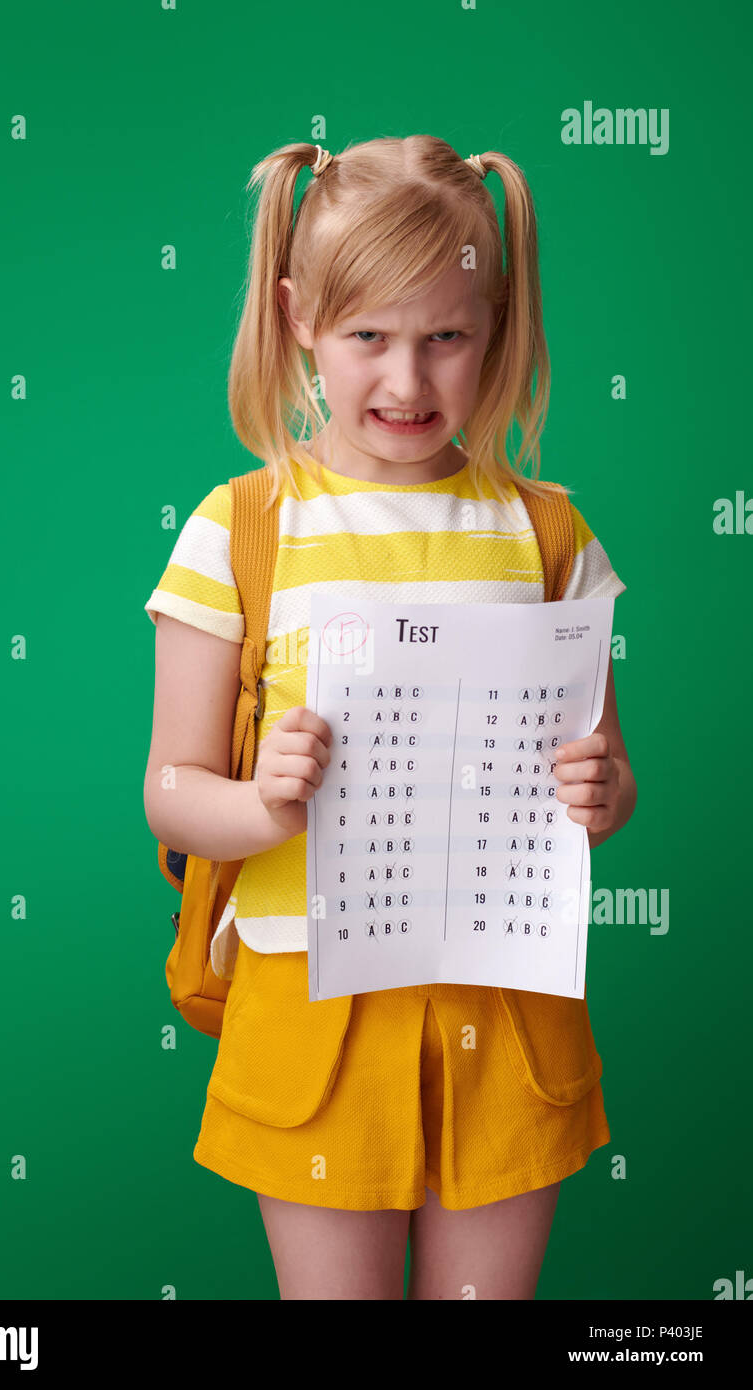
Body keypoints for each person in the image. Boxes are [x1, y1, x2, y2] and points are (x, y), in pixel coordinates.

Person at [142, 136, 637, 1300]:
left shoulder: (549, 535)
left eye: (444, 337)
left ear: (495, 324)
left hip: (506, 1013)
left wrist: (600, 793)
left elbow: (607, 781)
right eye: (367, 335)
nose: (405, 383)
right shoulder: (241, 527)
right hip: (312, 1017)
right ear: (298, 319)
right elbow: (169, 789)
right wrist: (261, 798)